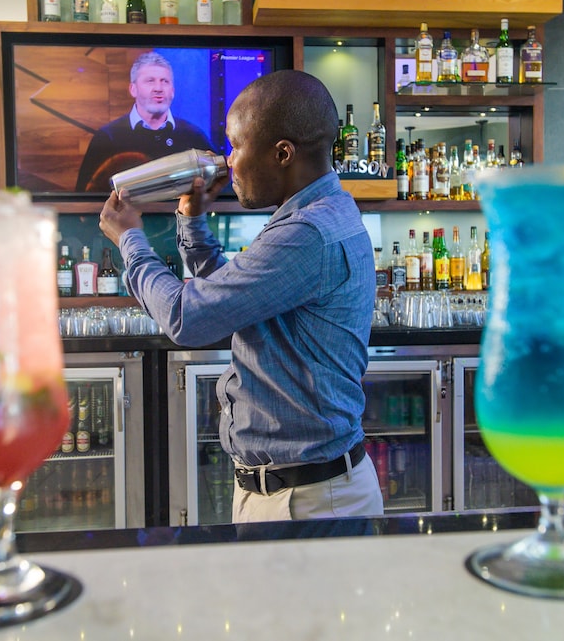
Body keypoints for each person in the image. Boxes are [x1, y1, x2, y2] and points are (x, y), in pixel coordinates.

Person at [99, 70, 383, 523]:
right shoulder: (318, 214)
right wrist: (192, 221)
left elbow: (187, 317)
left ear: (283, 153)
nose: (227, 161)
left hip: (305, 501)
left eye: (235, 146)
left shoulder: (307, 232)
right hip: (296, 491)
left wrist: (129, 239)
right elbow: (232, 300)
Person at [75, 50, 215, 193]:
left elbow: (219, 189)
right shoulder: (107, 137)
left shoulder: (193, 135)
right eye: (150, 81)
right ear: (133, 89)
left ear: (172, 91)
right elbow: (85, 198)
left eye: (164, 81)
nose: (158, 88)